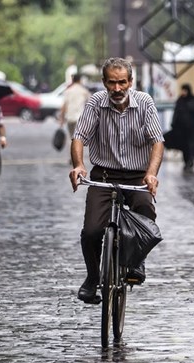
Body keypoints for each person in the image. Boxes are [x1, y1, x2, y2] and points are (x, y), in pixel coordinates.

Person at [68, 57, 165, 304]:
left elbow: (157, 141)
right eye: (112, 83)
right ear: (104, 83)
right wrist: (79, 165)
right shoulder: (96, 103)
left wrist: (151, 173)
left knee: (144, 214)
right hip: (104, 175)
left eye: (122, 82)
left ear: (130, 82)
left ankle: (137, 262)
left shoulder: (144, 103)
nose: (117, 88)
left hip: (137, 175)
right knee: (91, 231)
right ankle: (92, 278)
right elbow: (79, 137)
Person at [169, 83, 194, 172]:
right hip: (182, 130)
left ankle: (190, 161)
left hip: (193, 130)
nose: (183, 92)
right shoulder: (180, 100)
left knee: (191, 146)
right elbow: (176, 113)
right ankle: (186, 162)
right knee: (185, 147)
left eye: (185, 90)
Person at [60, 73, 91, 138]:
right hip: (80, 119)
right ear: (80, 80)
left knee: (72, 138)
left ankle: (73, 147)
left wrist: (62, 119)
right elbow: (90, 105)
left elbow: (64, 106)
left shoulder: (68, 91)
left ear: (73, 80)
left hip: (70, 118)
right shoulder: (84, 91)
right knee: (79, 139)